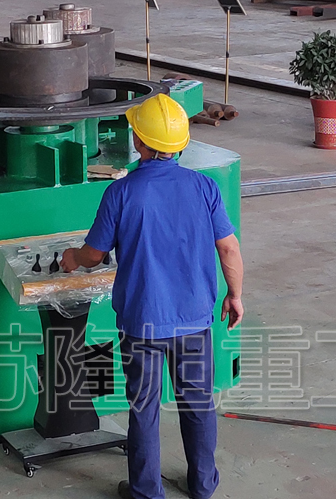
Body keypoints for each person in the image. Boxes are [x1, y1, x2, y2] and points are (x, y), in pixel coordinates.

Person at [61, 94, 245, 499]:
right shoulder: (205, 187)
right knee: (197, 403)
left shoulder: (121, 193)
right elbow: (229, 248)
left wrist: (72, 257)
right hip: (194, 319)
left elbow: (93, 255)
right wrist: (235, 295)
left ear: (138, 141)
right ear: (181, 143)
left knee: (143, 408)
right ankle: (202, 485)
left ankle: (146, 491)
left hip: (142, 321)